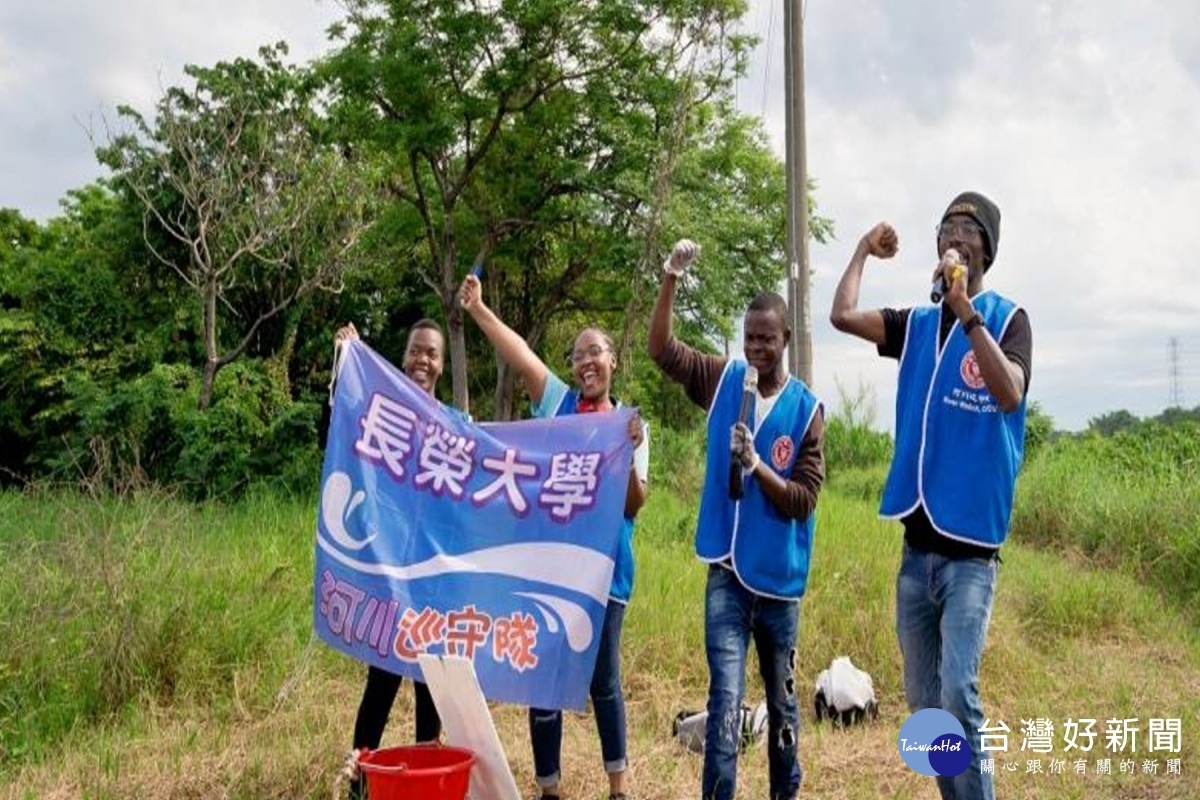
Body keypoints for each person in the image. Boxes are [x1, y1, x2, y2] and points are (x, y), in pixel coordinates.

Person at [829, 191, 1031, 800]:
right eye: (948, 228)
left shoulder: (1006, 319)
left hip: (971, 557)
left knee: (956, 693)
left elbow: (1010, 393)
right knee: (922, 708)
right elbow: (842, 316)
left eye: (970, 231)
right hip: (916, 555)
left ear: (986, 252)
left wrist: (968, 312)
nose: (956, 237)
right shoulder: (915, 324)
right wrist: (863, 248)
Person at [458, 273, 649, 800]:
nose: (587, 362)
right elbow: (520, 356)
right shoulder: (558, 404)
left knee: (603, 682)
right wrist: (479, 310)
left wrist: (630, 452)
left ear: (613, 362)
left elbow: (634, 504)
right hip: (548, 574)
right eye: (579, 355)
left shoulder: (630, 425)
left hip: (607, 575)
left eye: (597, 353)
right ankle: (549, 789)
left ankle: (619, 786)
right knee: (542, 681)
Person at [647, 240, 825, 800]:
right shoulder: (726, 379)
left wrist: (756, 467)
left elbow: (804, 498)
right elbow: (662, 350)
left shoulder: (807, 409)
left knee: (782, 703)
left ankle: (784, 792)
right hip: (725, 577)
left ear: (786, 340)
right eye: (750, 338)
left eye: (767, 339)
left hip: (778, 585)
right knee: (724, 700)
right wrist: (671, 277)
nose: (756, 348)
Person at [331, 319, 459, 799]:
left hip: (432, 576)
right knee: (381, 678)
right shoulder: (380, 412)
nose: (422, 360)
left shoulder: (451, 424)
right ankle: (359, 782)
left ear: (442, 366)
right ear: (404, 356)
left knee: (431, 682)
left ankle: (428, 783)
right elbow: (343, 429)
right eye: (416, 351)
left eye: (432, 354)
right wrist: (348, 360)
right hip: (388, 571)